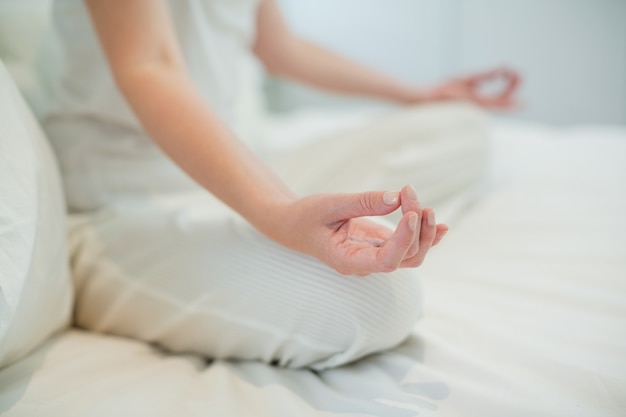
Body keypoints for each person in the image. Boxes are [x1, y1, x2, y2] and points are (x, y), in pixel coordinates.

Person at [42, 0, 520, 370]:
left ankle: (285, 224)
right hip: (122, 202)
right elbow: (150, 64)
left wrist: (419, 94)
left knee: (457, 127)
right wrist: (279, 213)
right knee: (379, 303)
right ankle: (104, 274)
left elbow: (280, 48)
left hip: (240, 167)